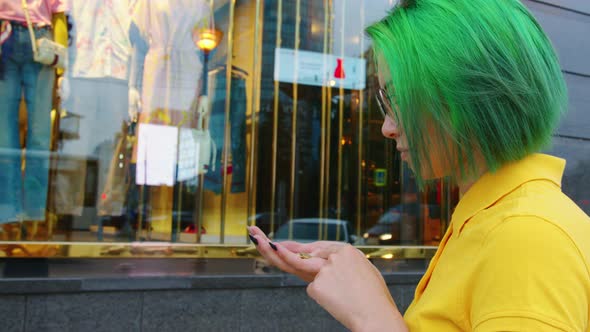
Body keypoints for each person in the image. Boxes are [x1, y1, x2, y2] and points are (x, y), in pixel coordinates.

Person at [248, 0, 590, 330]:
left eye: (398, 98)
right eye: (385, 102)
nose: (387, 126)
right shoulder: (494, 220)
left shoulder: (525, 235)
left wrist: (372, 316)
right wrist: (361, 281)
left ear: (471, 93)